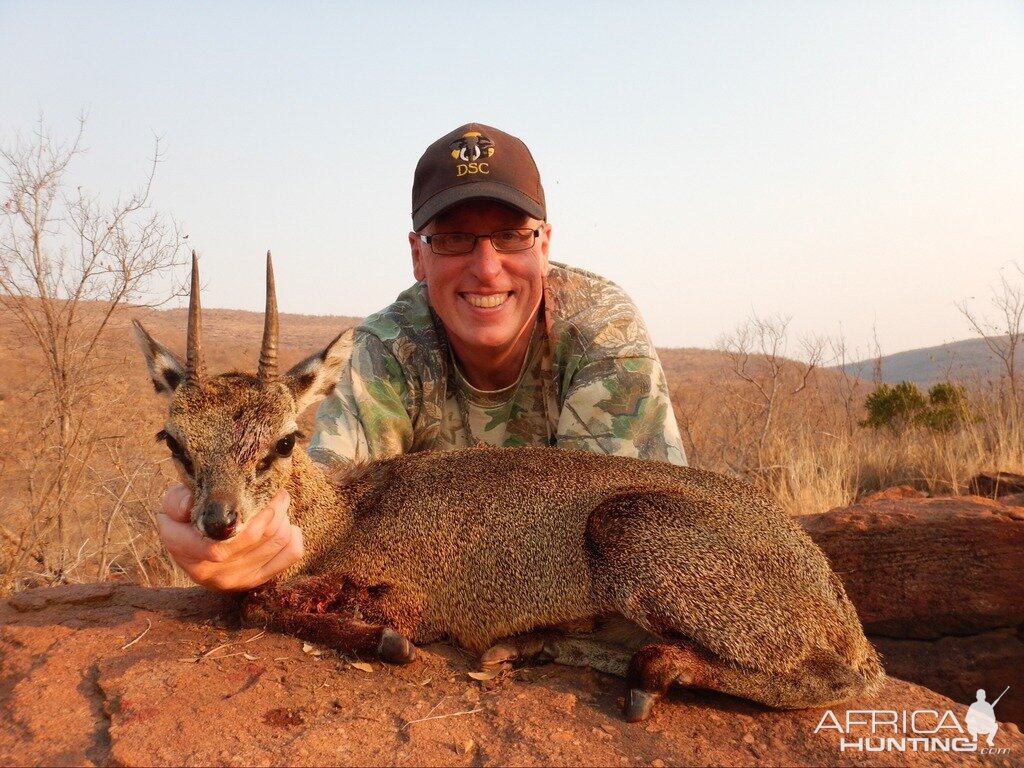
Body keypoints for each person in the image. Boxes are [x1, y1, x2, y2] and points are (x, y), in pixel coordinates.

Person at [159, 123, 686, 591]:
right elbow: (329, 504)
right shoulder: (387, 346)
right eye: (454, 240)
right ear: (418, 254)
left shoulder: (600, 329)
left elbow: (632, 523)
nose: (486, 268)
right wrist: (253, 541)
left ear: (544, 245)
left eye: (510, 236)